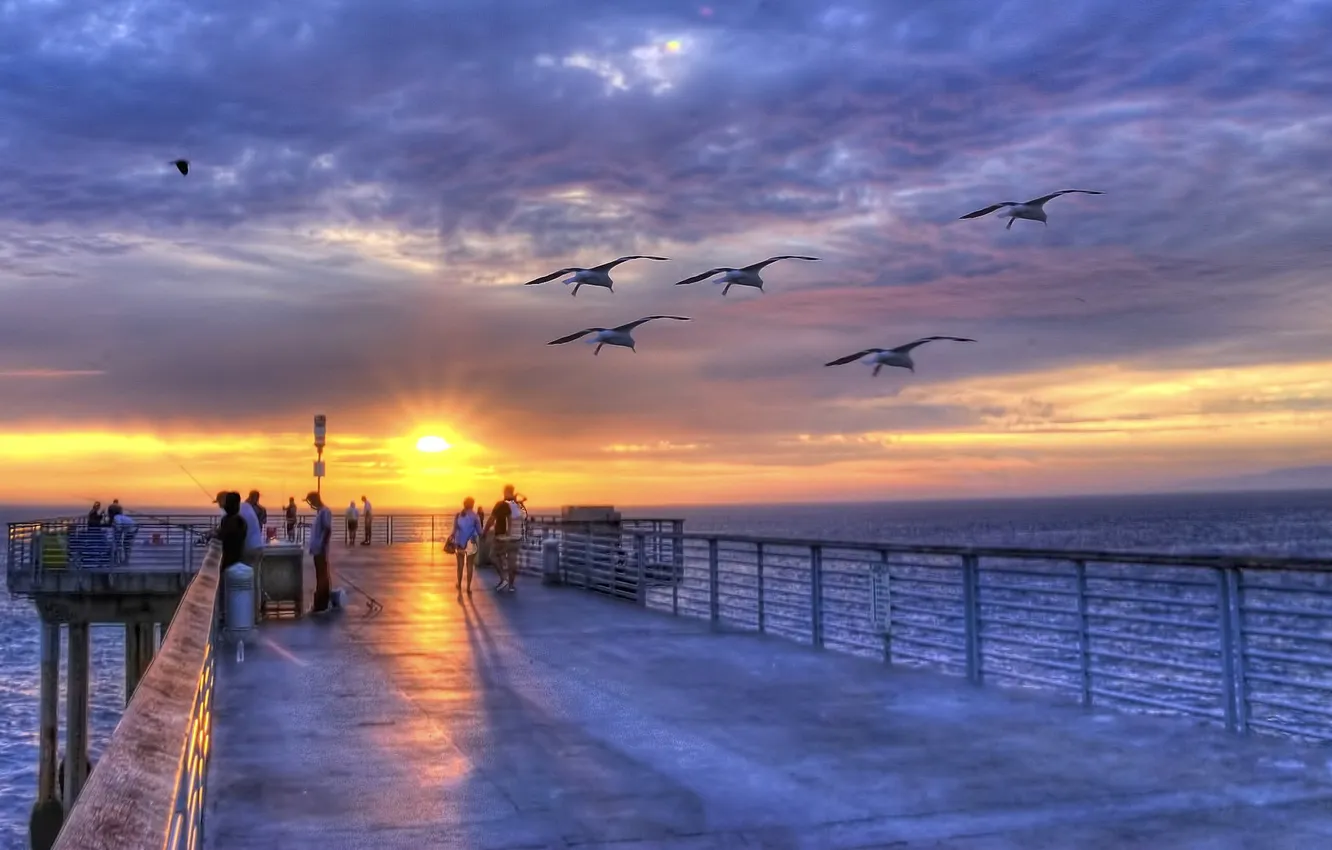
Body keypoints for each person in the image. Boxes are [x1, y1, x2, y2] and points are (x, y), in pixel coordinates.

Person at [484, 484, 527, 593]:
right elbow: (524, 517)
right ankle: (511, 586)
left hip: (502, 538)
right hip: (517, 537)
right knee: (512, 561)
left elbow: (491, 520)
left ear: (504, 492)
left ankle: (503, 578)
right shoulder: (519, 506)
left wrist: (484, 532)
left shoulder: (500, 505)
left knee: (493, 556)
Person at [305, 491, 334, 613]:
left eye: (311, 502)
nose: (311, 505)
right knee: (320, 575)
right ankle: (320, 602)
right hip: (317, 550)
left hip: (320, 550)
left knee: (322, 576)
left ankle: (321, 603)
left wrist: (322, 546)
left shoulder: (324, 512)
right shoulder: (320, 513)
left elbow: (327, 529)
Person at [449, 497, 483, 594]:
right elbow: (480, 532)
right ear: (472, 504)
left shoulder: (458, 515)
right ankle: (468, 587)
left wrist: (452, 539)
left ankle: (459, 584)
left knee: (460, 565)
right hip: (471, 543)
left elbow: (454, 531)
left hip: (459, 543)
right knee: (470, 565)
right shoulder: (475, 517)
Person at [211, 492, 248, 568]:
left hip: (229, 559)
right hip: (239, 557)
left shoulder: (227, 520)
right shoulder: (241, 520)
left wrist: (214, 534)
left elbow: (222, 536)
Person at [239, 491, 265, 567]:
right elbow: (264, 520)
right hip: (256, 542)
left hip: (248, 543)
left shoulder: (243, 507)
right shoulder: (261, 509)